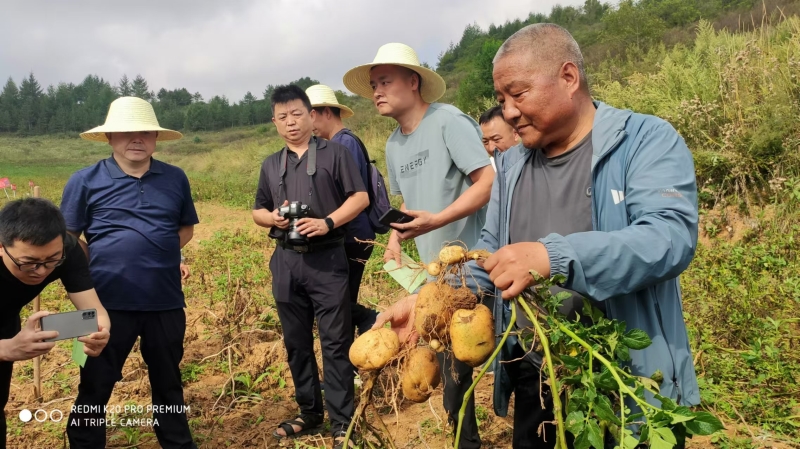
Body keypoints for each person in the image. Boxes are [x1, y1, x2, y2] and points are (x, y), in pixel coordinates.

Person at [373, 23, 700, 449]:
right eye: (501, 100)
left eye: (519, 94)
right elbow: (488, 254)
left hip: (625, 373)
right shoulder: (512, 165)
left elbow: (669, 237)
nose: (508, 111)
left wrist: (553, 256)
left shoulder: (644, 140)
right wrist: (430, 303)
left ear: (568, 77)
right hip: (535, 368)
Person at [343, 42, 494, 449]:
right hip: (436, 279)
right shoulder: (394, 144)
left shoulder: (448, 122)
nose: (377, 91)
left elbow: (487, 182)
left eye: (385, 82)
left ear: (413, 82)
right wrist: (395, 238)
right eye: (373, 85)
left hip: (478, 265)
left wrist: (439, 220)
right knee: (453, 378)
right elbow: (409, 203)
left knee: (510, 364)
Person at [61, 96, 200, 449]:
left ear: (155, 138)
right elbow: (68, 238)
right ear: (109, 137)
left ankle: (177, 443)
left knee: (168, 382)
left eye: (145, 132)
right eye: (126, 132)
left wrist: (160, 252)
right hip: (103, 303)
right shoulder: (85, 180)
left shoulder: (175, 178)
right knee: (94, 383)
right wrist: (97, 260)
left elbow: (185, 228)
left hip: (165, 301)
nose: (136, 139)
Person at [252, 85, 368, 449]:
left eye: (296, 114)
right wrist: (272, 217)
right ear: (274, 122)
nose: (290, 123)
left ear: (311, 115)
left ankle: (342, 421)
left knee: (335, 342)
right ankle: (309, 411)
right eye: (282, 117)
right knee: (296, 342)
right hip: (286, 261)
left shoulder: (336, 153)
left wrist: (327, 222)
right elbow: (257, 210)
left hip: (327, 259)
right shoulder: (271, 164)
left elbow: (360, 197)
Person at [0, 198, 110, 449]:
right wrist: (6, 349)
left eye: (51, 261)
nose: (41, 271)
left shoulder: (66, 250)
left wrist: (101, 332)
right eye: (28, 263)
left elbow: (95, 311)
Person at [306, 84, 378, 336]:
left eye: (311, 116)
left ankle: (366, 320)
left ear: (327, 112)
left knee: (337, 301)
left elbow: (346, 194)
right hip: (351, 233)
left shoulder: (343, 144)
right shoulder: (340, 142)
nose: (309, 125)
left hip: (352, 235)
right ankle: (349, 350)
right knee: (339, 299)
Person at [479, 105, 519, 171]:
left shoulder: (532, 163)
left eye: (496, 139)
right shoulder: (489, 170)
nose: (491, 148)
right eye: (485, 142)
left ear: (516, 134)